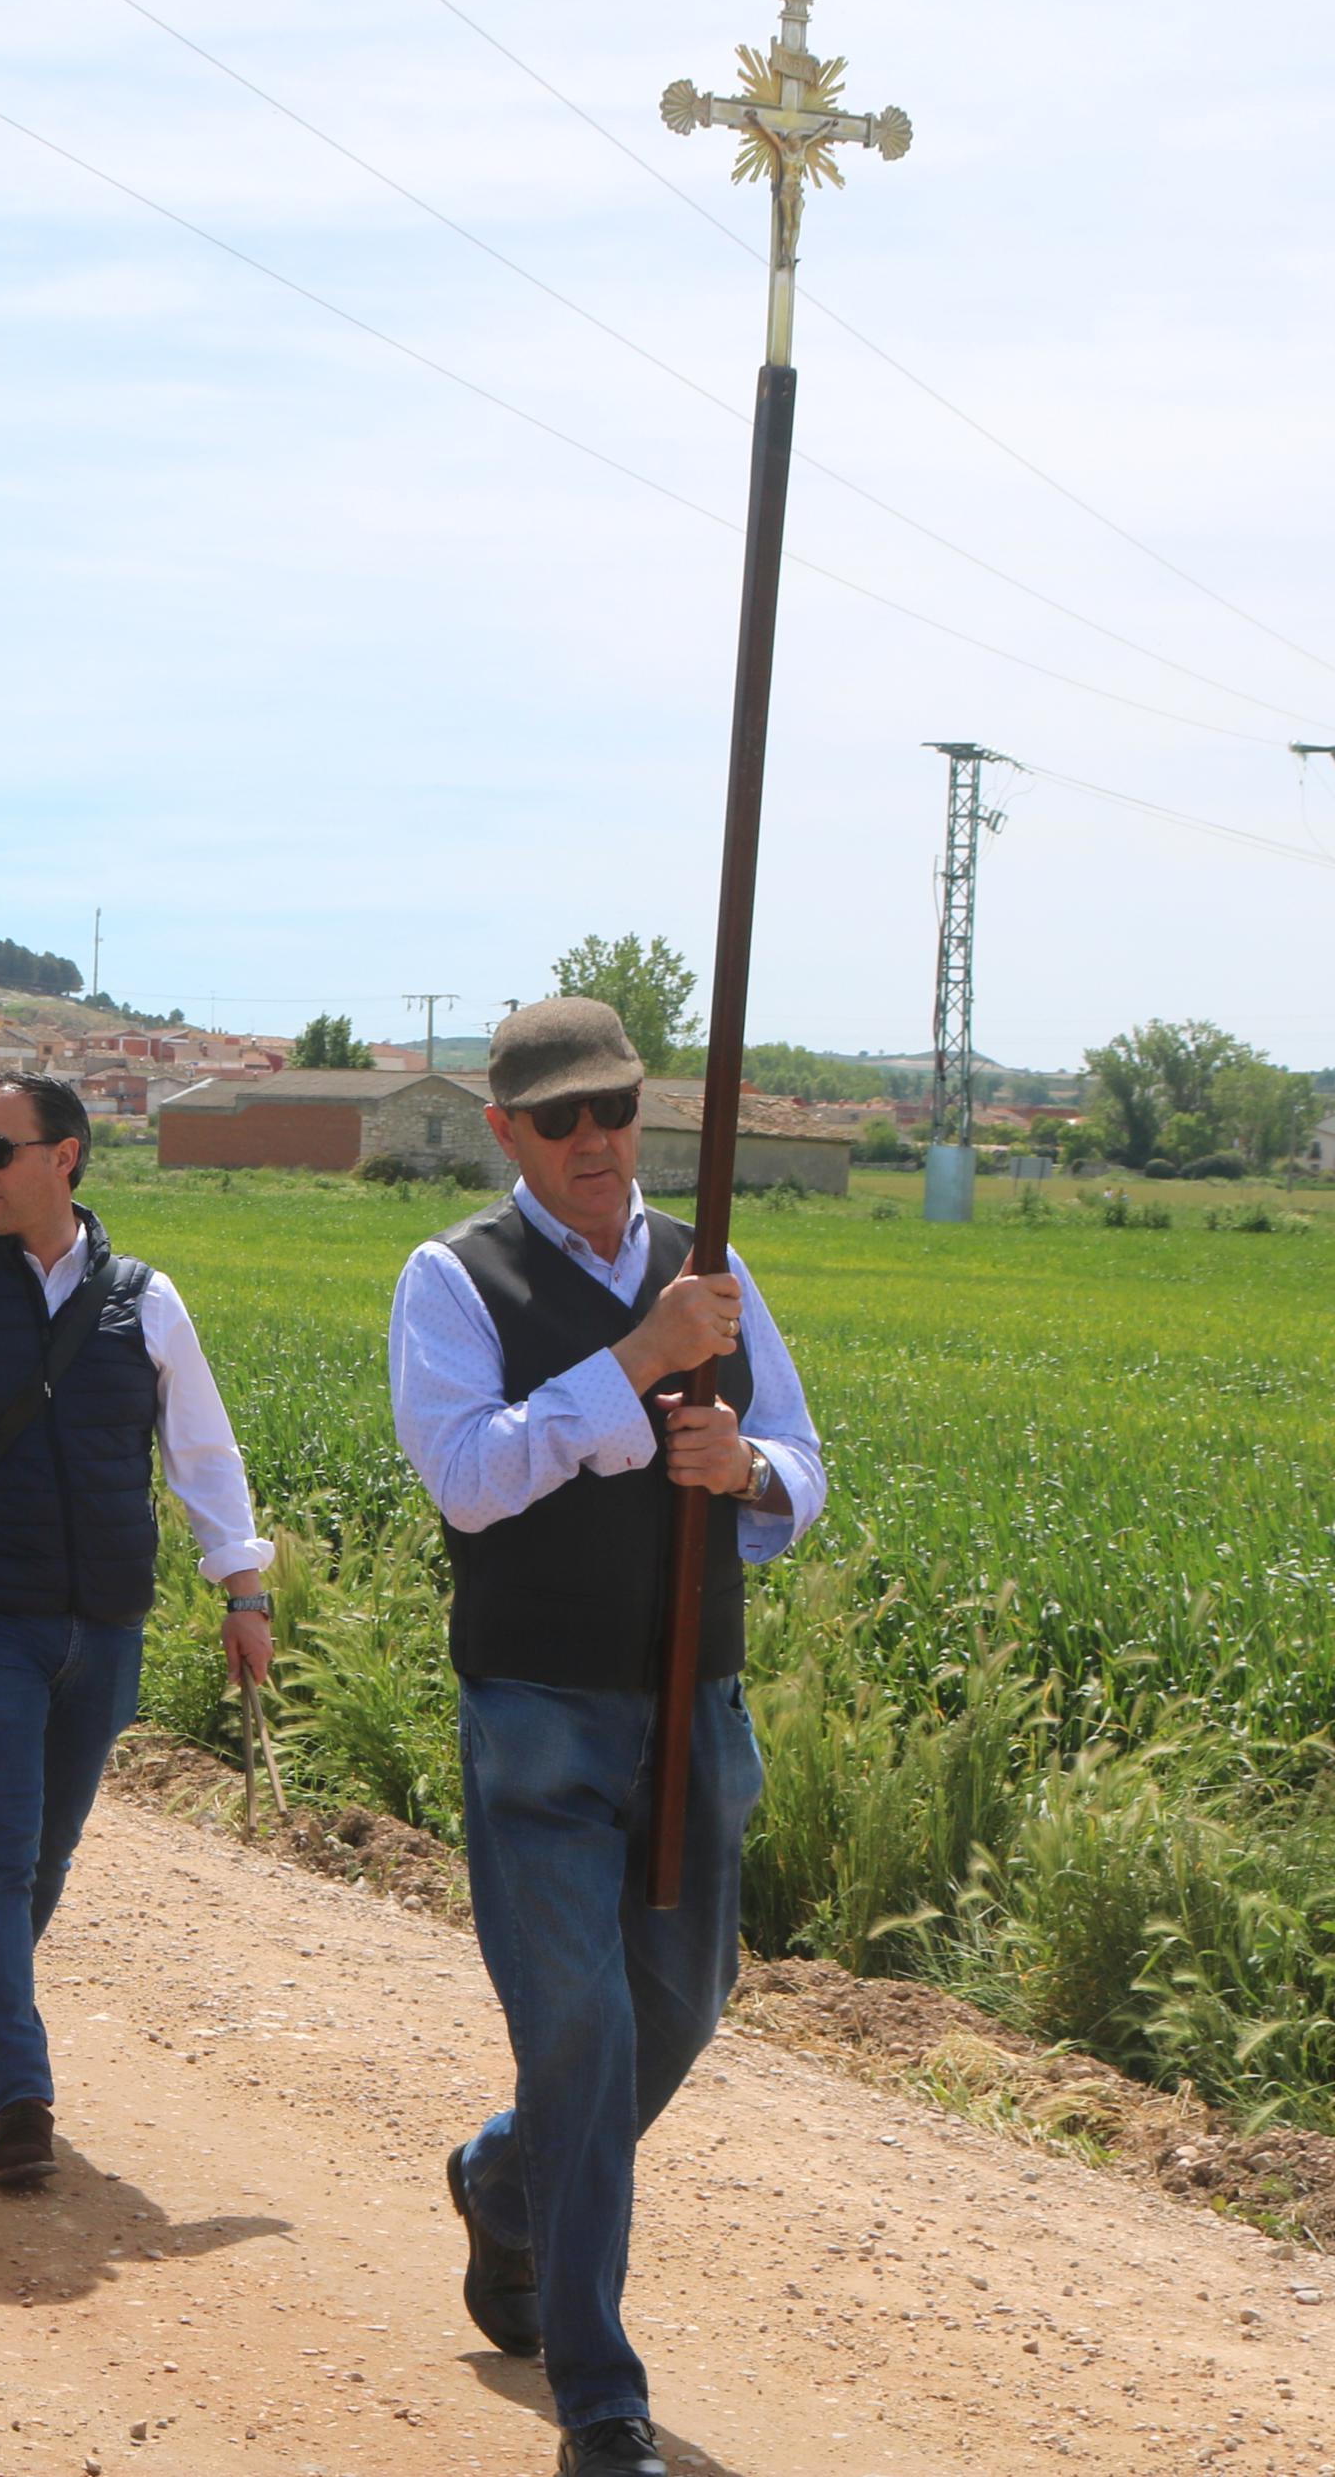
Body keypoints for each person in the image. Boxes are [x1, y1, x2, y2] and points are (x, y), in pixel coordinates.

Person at [388, 997, 825, 2477]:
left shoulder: (710, 1268)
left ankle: (503, 2176)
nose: (594, 1140)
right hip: (536, 1711)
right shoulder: (453, 1276)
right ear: (504, 1127)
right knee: (575, 2031)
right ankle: (598, 2395)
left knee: (680, 2008)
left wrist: (746, 1462)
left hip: (696, 1703)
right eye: (558, 1116)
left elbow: (806, 1460)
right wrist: (638, 1369)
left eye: (614, 1109)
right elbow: (465, 1476)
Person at [0, 1073, 274, 2190]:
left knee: (49, 1853)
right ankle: (19, 2090)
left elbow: (203, 1457)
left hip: (105, 1628)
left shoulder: (145, 1300)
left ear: (63, 1156)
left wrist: (241, 1588)